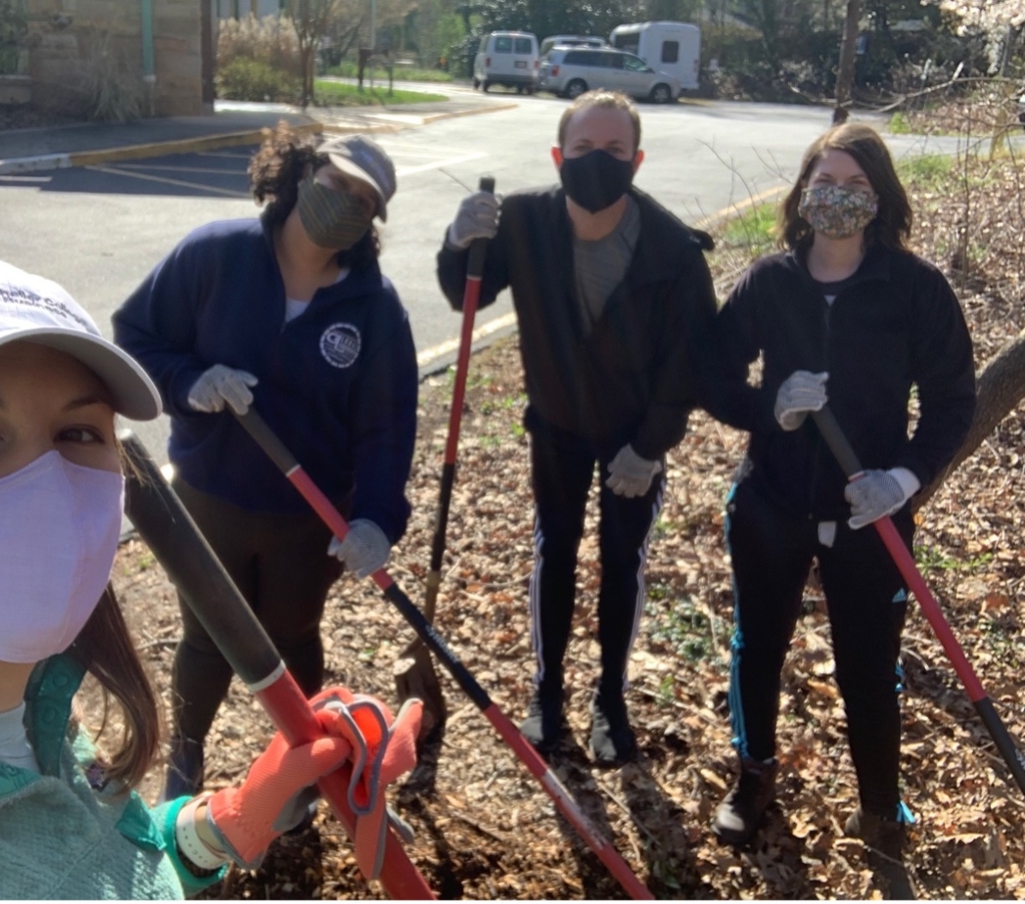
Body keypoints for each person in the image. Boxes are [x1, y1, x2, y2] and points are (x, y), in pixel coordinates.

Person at [0, 259, 420, 897]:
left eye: (78, 432)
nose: (44, 484)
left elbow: (86, 862)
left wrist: (225, 823)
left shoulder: (41, 703)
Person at [694, 123, 975, 876]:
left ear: (880, 198)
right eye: (826, 181)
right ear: (803, 192)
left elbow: (954, 400)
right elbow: (714, 375)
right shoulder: (770, 281)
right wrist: (769, 407)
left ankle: (880, 800)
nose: (839, 198)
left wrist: (905, 479)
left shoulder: (913, 290)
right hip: (772, 504)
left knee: (869, 659)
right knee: (760, 645)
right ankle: (754, 774)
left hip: (869, 513)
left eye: (856, 186)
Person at [113, 125, 418, 800]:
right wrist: (189, 383)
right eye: (336, 184)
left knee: (291, 637)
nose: (344, 203)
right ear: (305, 173)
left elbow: (386, 428)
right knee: (207, 637)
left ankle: (303, 772)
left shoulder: (374, 309)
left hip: (306, 518)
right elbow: (135, 336)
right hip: (209, 497)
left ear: (371, 222)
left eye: (362, 202)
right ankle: (185, 759)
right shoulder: (216, 255)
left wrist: (374, 519)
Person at [436, 90, 717, 766]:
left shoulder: (673, 249)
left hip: (633, 437)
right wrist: (457, 241)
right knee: (553, 554)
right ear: (560, 156)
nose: (599, 161)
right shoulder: (526, 222)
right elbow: (465, 293)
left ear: (637, 159)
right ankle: (548, 690)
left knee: (623, 564)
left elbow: (691, 363)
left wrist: (650, 448)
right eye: (585, 149)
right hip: (557, 426)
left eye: (614, 150)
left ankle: (610, 699)